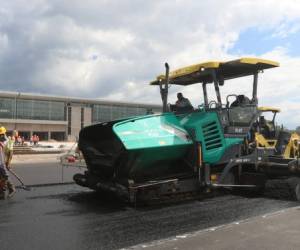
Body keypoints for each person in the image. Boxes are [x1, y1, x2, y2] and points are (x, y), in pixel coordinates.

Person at [0, 127, 16, 198]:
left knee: (4, 176)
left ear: (4, 134)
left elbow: (10, 153)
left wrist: (8, 163)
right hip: (2, 160)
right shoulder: (1, 140)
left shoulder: (8, 141)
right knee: (3, 176)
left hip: (4, 161)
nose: (1, 135)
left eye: (1, 134)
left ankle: (7, 191)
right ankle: (6, 191)